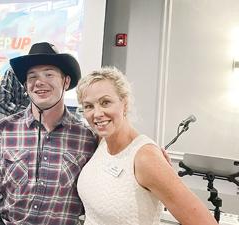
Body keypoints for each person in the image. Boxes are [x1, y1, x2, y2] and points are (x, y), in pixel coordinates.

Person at [0, 42, 98, 225]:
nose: (39, 82)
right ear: (25, 85)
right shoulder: (3, 131)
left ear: (66, 81)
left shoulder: (87, 138)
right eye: (32, 76)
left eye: (49, 74)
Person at [75, 66, 218, 225]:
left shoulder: (145, 157)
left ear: (125, 103)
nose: (97, 113)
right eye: (88, 106)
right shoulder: (101, 142)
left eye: (106, 102)